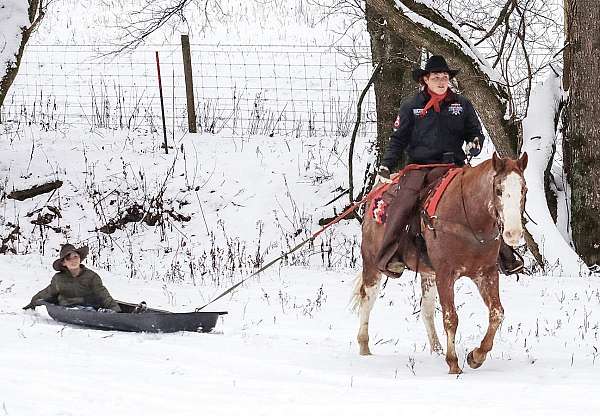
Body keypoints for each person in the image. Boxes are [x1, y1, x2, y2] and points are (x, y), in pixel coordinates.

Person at [374, 55, 524, 277]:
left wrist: (475, 143)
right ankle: (390, 256)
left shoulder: (462, 104)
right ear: (425, 79)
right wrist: (387, 164)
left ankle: (504, 255)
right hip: (420, 168)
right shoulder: (411, 106)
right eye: (436, 77)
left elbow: (475, 133)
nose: (442, 81)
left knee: (484, 200)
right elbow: (398, 139)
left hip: (454, 167)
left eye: (445, 77)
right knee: (403, 203)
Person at [23, 243, 121, 312]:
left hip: (91, 307)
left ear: (80, 258)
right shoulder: (58, 279)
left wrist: (116, 310)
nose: (73, 260)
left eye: (75, 257)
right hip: (68, 308)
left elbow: (103, 294)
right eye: (68, 258)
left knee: (92, 307)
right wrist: (33, 303)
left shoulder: (91, 276)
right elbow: (47, 292)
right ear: (63, 263)